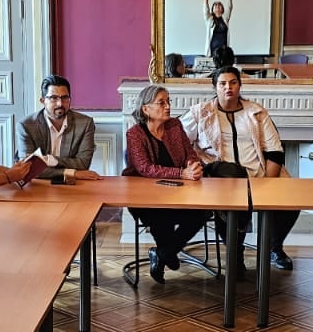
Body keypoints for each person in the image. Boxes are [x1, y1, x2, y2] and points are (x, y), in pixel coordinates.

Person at [182, 65, 298, 270]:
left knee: (292, 202)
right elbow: (178, 141)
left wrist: (266, 185)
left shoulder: (256, 113)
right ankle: (236, 253)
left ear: (239, 86)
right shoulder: (201, 113)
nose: (228, 87)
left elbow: (275, 151)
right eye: (223, 83)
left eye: (233, 83)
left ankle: (273, 247)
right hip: (220, 178)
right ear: (215, 87)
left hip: (259, 175)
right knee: (234, 191)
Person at [124, 83, 210, 283]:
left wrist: (193, 166)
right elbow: (145, 168)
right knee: (160, 216)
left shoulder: (175, 126)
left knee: (202, 213)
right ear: (146, 109)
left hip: (178, 192)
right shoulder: (135, 134)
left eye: (168, 101)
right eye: (161, 103)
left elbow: (189, 154)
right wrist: (182, 173)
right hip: (144, 196)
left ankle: (162, 254)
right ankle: (167, 254)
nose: (168, 106)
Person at [19, 75, 101, 184]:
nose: (60, 103)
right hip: (38, 185)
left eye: (65, 98)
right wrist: (72, 172)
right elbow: (28, 168)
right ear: (42, 100)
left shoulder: (85, 124)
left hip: (73, 186)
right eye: (53, 98)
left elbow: (83, 164)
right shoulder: (27, 126)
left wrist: (50, 160)